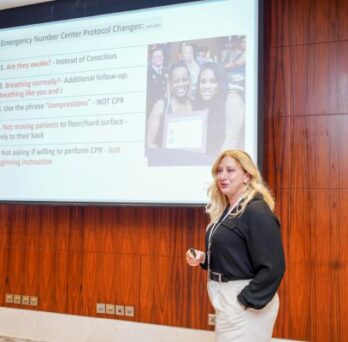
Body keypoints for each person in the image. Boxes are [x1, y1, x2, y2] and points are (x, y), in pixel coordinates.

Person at [186, 150, 285, 342]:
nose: (222, 176)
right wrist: (204, 257)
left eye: (230, 170)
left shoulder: (256, 211)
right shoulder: (229, 208)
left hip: (243, 302)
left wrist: (244, 301)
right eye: (219, 171)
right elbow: (236, 253)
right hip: (227, 300)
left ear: (247, 176)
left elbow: (274, 267)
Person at [194, 63, 244, 156]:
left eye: (212, 81)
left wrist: (216, 168)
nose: (206, 86)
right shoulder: (203, 104)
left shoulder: (232, 100)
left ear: (221, 83)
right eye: (203, 81)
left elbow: (231, 140)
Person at [146, 62, 193, 148]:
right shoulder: (161, 106)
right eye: (176, 81)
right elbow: (150, 143)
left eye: (185, 80)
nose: (181, 84)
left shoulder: (195, 106)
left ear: (189, 80)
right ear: (170, 83)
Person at [146, 46, 168, 113]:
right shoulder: (148, 74)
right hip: (153, 108)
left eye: (161, 56)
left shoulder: (166, 72)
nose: (160, 58)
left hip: (165, 107)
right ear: (152, 60)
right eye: (157, 56)